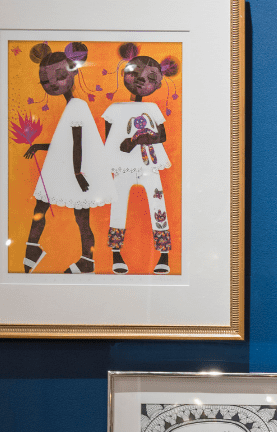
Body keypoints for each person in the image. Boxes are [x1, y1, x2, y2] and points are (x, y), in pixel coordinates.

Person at [22, 42, 115, 273]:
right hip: (70, 167)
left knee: (73, 215)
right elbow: (68, 142)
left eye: (60, 76)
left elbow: (78, 141)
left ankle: (81, 259)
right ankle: (82, 259)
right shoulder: (73, 105)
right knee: (67, 213)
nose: (52, 84)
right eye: (45, 81)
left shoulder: (76, 105)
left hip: (76, 170)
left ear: (73, 73)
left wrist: (77, 173)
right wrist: (40, 146)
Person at [102, 43, 179, 275]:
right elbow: (109, 141)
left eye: (150, 78)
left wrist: (137, 140)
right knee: (118, 206)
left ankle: (163, 254)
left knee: (158, 206)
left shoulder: (153, 108)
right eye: (134, 74)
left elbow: (162, 136)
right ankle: (116, 253)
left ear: (158, 84)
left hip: (149, 165)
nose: (140, 80)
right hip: (123, 167)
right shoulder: (115, 108)